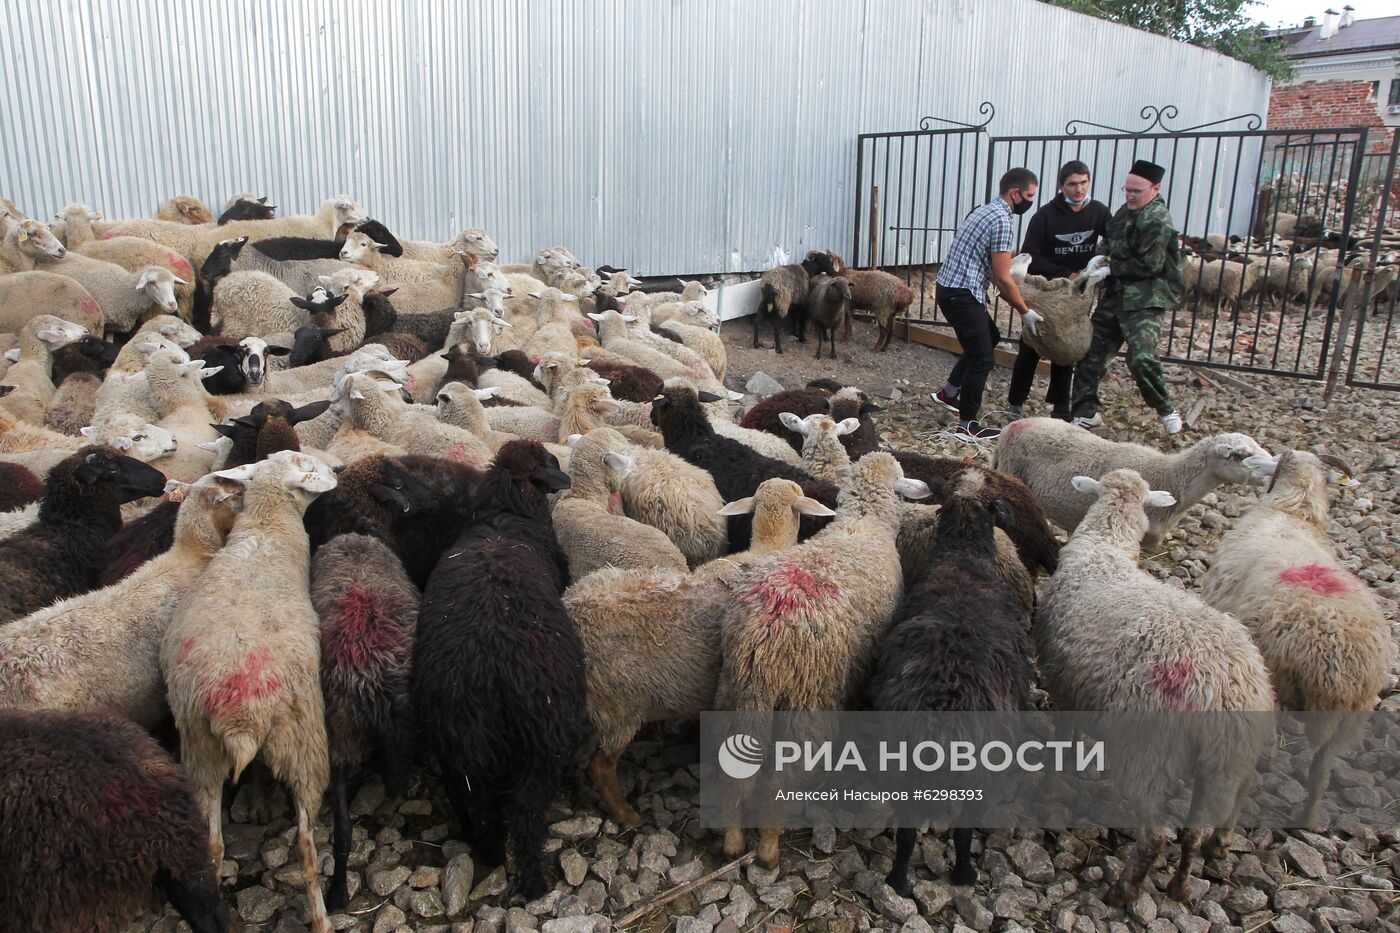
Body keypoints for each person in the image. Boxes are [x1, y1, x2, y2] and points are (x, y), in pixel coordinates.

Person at [1069, 159, 1185, 435]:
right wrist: (1099, 256)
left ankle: (1166, 409)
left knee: (1141, 359)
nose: (1131, 196)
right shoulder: (1125, 212)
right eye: (1127, 190)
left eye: (1137, 191)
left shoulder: (1157, 219)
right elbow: (1111, 238)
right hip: (1116, 295)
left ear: (1155, 189)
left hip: (1145, 298)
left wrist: (1111, 269)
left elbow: (1151, 265)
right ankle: (1085, 413)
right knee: (1090, 353)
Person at [930, 168, 1044, 440]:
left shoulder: (984, 210)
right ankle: (967, 426)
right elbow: (1003, 278)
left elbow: (995, 269)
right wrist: (1025, 311)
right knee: (983, 357)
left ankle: (950, 391)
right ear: (1015, 193)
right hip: (962, 294)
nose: (1030, 202)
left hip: (951, 289)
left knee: (989, 336)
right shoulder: (1002, 221)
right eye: (1029, 196)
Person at [1006, 160, 1110, 422]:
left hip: (1076, 295)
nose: (1078, 189)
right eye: (1072, 184)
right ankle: (1015, 403)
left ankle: (1061, 407)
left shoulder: (1098, 212)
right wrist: (1065, 274)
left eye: (1083, 183)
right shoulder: (1045, 216)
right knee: (1031, 346)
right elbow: (1031, 253)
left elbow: (1113, 241)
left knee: (1067, 346)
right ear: (1061, 185)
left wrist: (1099, 265)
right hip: (1046, 292)